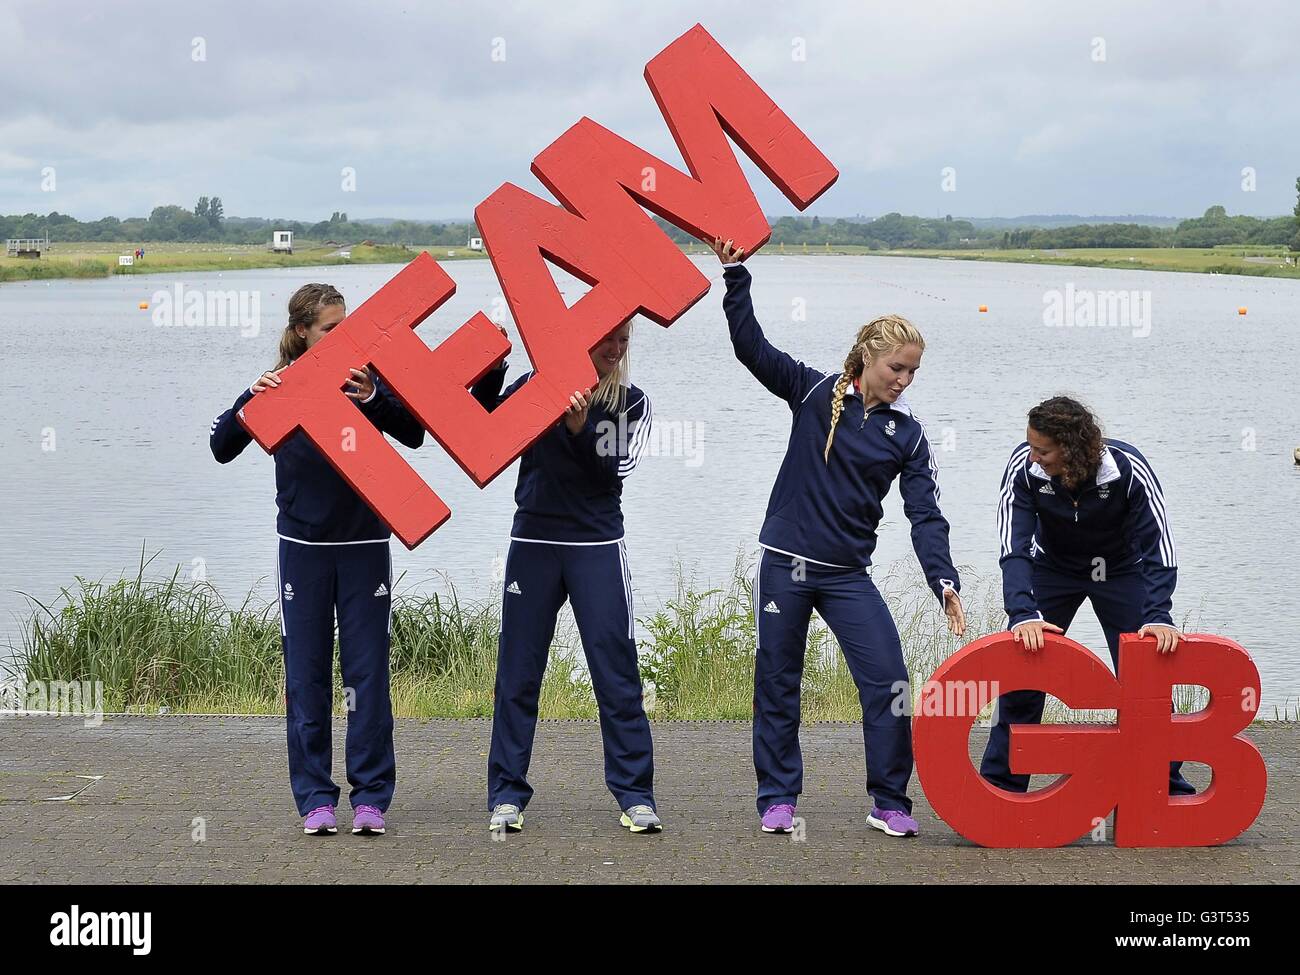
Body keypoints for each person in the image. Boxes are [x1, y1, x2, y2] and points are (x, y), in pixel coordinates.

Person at [714, 237, 966, 838]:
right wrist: (735, 276)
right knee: (778, 681)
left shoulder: (907, 435)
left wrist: (945, 580)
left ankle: (889, 801)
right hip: (786, 566)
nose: (904, 380)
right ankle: (777, 797)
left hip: (848, 576)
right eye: (895, 367)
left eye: (912, 371)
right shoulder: (811, 391)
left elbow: (925, 515)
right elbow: (753, 348)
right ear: (866, 359)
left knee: (889, 682)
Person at [210, 282, 425, 835]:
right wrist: (247, 403)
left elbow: (416, 432)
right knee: (306, 678)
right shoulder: (279, 386)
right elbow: (221, 445)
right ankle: (315, 800)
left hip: (364, 548)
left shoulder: (363, 378)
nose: (341, 337)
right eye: (331, 328)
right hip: (303, 552)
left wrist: (374, 398)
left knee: (368, 676)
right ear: (302, 331)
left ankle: (372, 797)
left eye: (346, 326)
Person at [472, 320, 660, 834]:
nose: (616, 348)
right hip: (533, 542)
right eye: (607, 337)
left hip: (596, 546)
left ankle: (635, 794)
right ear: (580, 337)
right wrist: (492, 370)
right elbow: (486, 423)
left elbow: (614, 472)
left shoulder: (631, 402)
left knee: (615, 670)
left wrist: (580, 430)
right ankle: (507, 794)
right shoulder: (539, 384)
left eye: (623, 340)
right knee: (517, 672)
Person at [982, 395, 1195, 796]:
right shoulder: (1025, 470)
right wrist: (1023, 612)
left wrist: (1158, 614)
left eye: (1043, 450)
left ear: (1072, 448)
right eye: (1030, 446)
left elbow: (1159, 548)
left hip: (1119, 569)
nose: (1034, 456)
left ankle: (1165, 786)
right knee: (1024, 673)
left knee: (1145, 674)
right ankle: (1002, 789)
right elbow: (1014, 547)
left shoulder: (1129, 469)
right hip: (1053, 569)